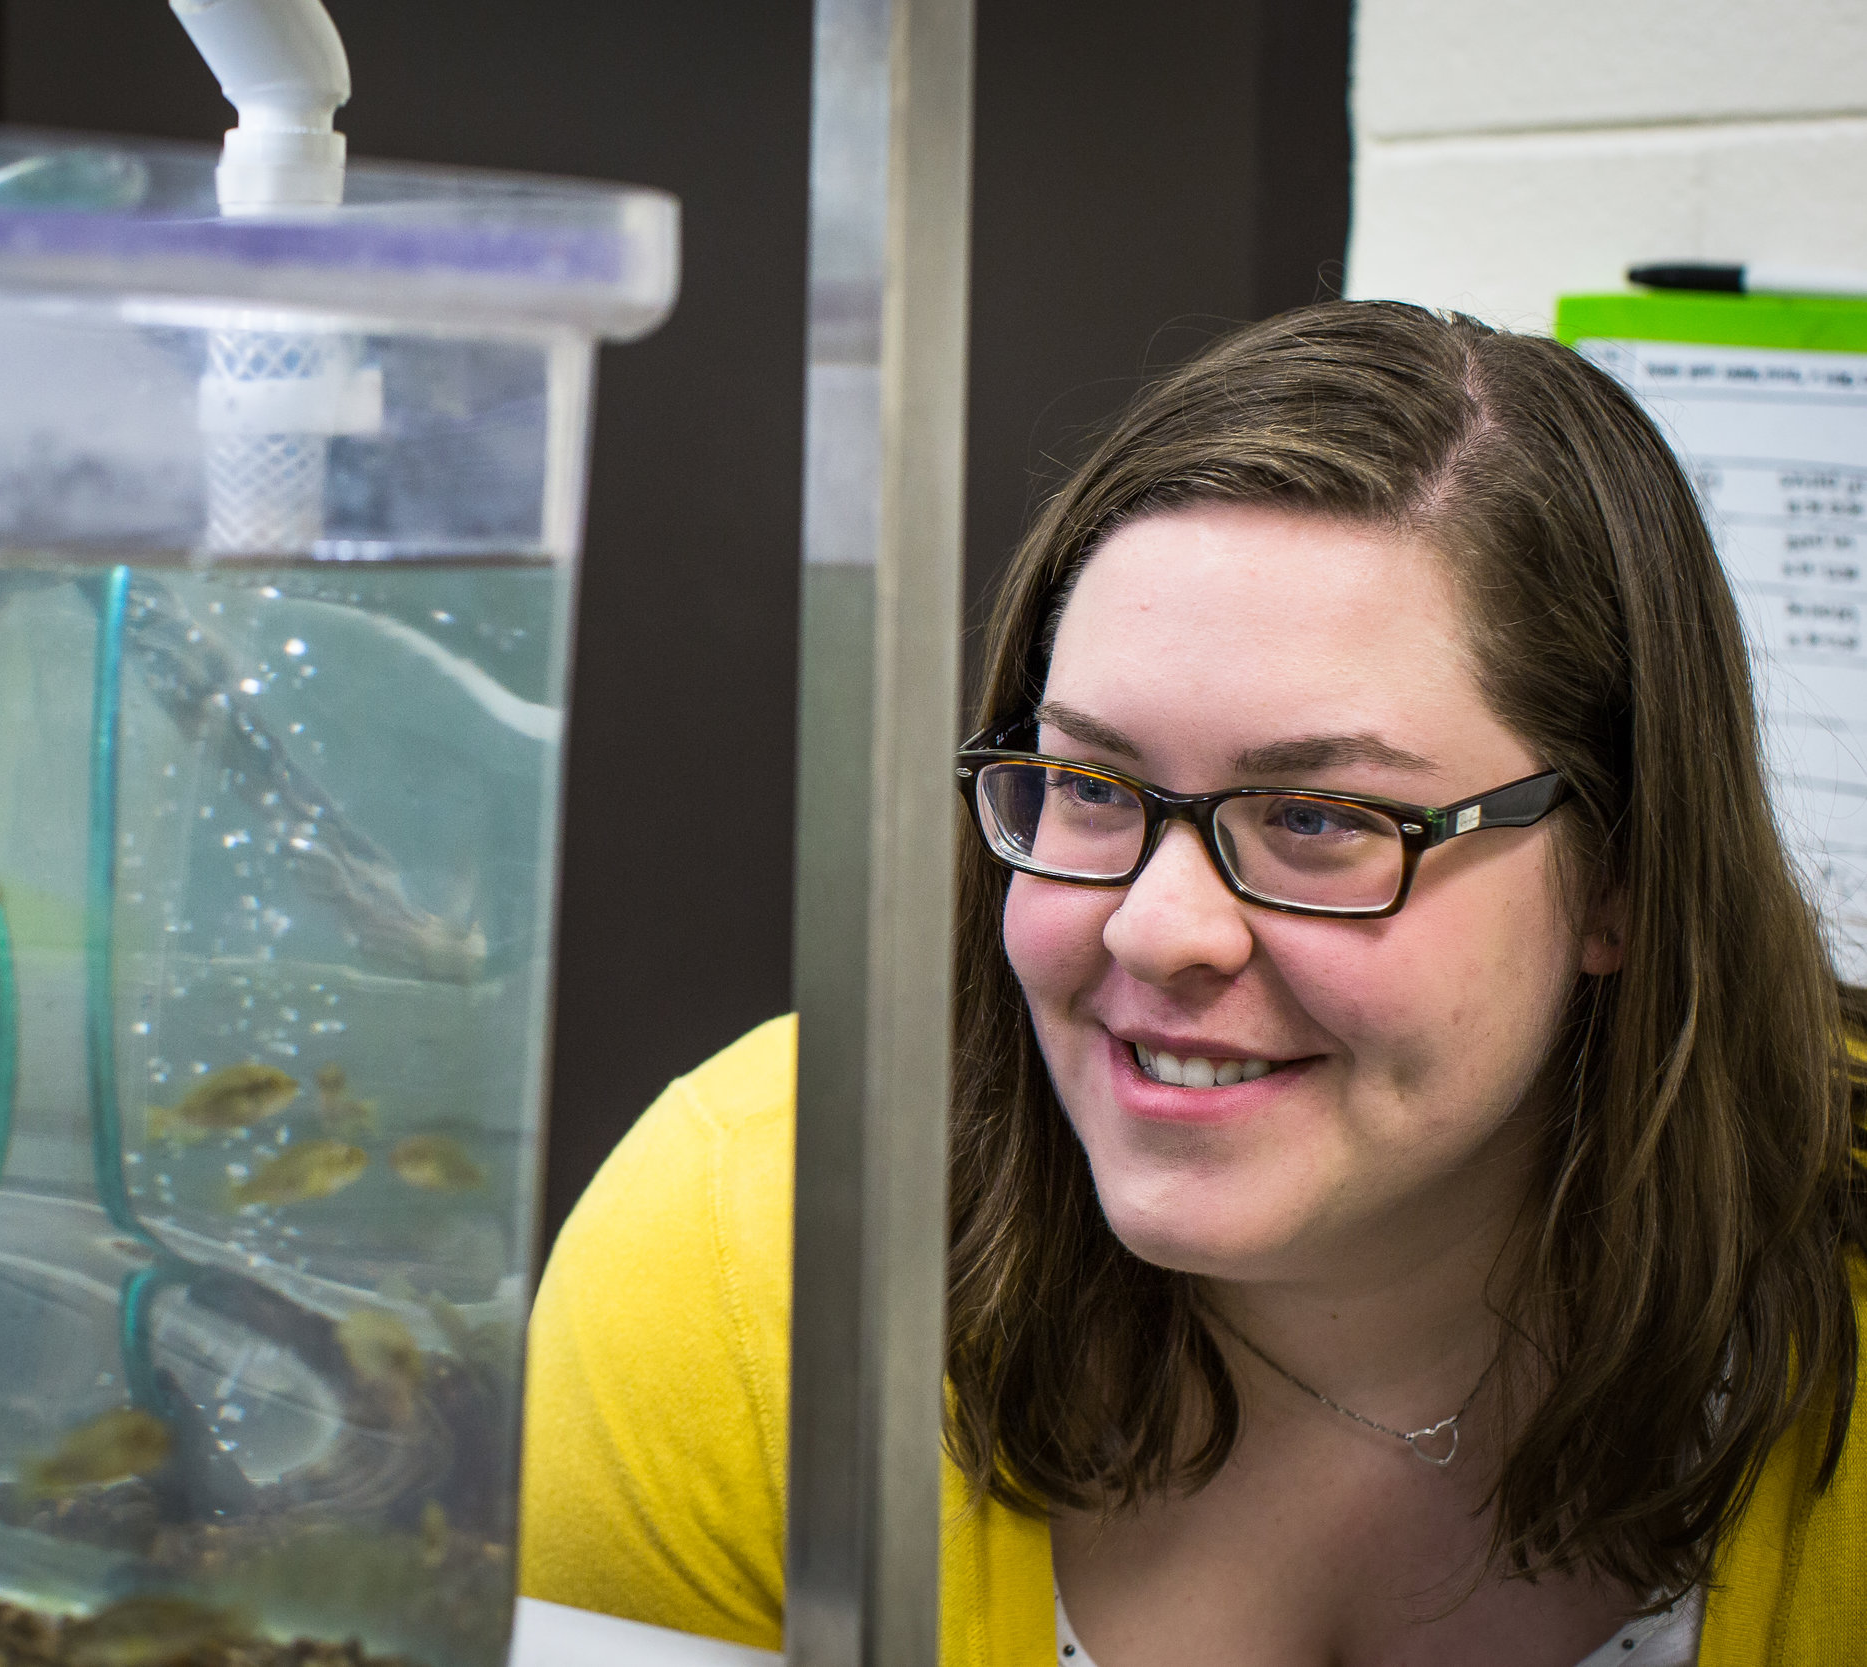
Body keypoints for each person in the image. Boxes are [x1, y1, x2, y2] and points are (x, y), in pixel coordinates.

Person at [517, 301, 1867, 1665]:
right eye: (1092, 786)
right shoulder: (765, 1243)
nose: (1157, 934)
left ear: (1622, 870)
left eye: (1324, 818)